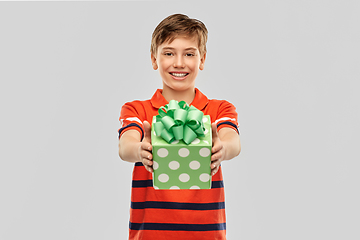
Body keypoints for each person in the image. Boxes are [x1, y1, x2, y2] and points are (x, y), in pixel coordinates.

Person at [118, 13, 241, 240]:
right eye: (168, 53)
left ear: (202, 59)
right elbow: (125, 146)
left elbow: (232, 140)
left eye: (189, 54)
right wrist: (139, 150)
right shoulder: (137, 110)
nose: (179, 63)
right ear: (154, 60)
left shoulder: (218, 109)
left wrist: (222, 148)